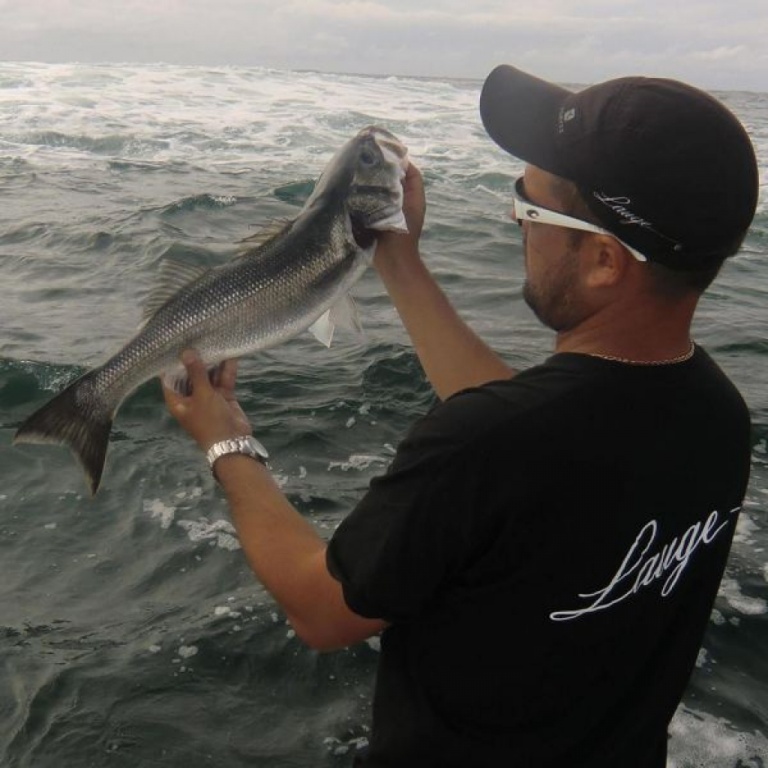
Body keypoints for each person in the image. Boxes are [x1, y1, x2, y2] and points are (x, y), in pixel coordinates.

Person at [162, 64, 759, 767]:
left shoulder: (489, 445)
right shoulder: (716, 417)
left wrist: (226, 443)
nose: (514, 218)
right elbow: (532, 437)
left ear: (603, 261)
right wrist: (398, 262)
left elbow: (322, 608)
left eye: (531, 208)